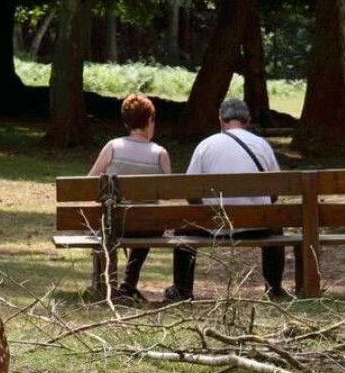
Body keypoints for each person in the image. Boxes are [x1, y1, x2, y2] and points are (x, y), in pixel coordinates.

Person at [166, 97, 289, 301]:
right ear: (247, 120)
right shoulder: (262, 145)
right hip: (257, 227)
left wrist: (206, 213)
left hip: (214, 226)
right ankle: (274, 287)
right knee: (276, 225)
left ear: (221, 119)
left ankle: (182, 289)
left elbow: (190, 193)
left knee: (183, 230)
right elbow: (274, 193)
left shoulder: (205, 146)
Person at [88, 94, 176, 301]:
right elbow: (170, 193)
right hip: (149, 225)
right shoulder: (160, 153)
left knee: (110, 221)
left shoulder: (112, 147)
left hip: (114, 223)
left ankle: (105, 285)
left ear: (127, 122)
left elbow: (90, 184)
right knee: (146, 218)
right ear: (149, 121)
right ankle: (128, 284)